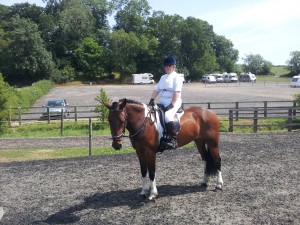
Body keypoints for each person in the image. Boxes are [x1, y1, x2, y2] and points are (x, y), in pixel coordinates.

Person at [149, 55, 183, 151]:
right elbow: (157, 90)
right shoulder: (163, 77)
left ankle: (173, 140)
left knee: (168, 116)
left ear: (174, 66)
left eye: (169, 65)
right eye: (166, 66)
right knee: (153, 113)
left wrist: (172, 104)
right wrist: (152, 99)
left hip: (174, 101)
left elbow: (176, 92)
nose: (167, 67)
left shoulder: (177, 77)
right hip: (162, 102)